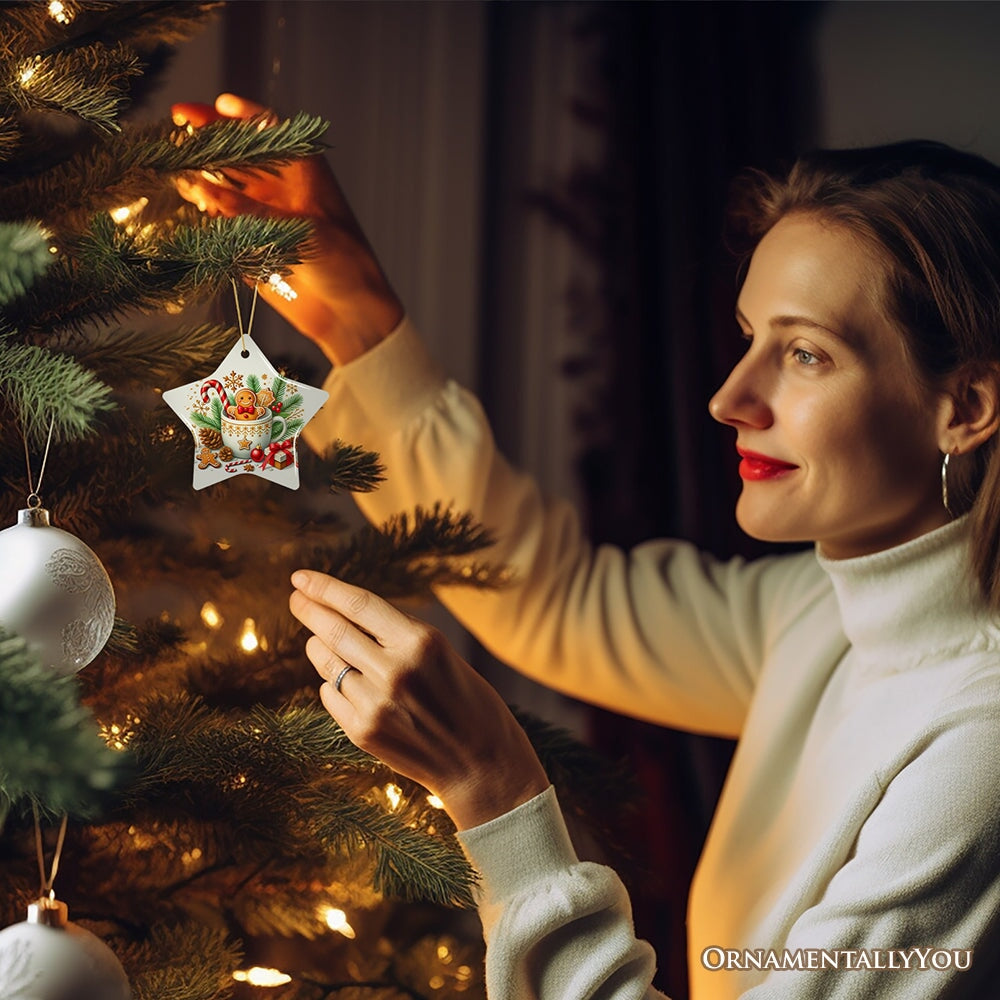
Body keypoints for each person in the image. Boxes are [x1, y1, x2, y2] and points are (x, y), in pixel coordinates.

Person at [171, 93, 1000, 999]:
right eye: (751, 337)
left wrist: (494, 791)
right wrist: (359, 320)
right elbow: (561, 597)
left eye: (805, 354)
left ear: (965, 406)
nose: (730, 398)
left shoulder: (979, 750)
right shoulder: (816, 613)